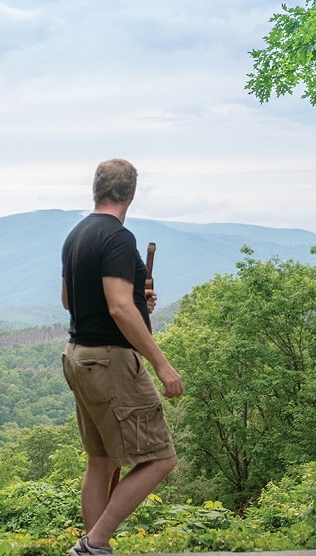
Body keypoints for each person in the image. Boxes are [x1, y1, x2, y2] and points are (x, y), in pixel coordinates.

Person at [60, 159, 184, 556]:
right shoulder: (117, 238)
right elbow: (117, 308)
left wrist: (135, 298)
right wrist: (162, 364)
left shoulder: (76, 235)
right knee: (160, 459)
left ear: (95, 190)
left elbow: (70, 300)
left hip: (78, 357)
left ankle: (95, 548)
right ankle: (94, 543)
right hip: (110, 363)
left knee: (102, 461)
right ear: (131, 193)